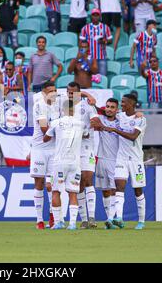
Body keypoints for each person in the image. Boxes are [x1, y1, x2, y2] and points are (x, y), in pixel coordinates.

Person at [93, 94, 147, 230]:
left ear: (131, 103)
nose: (122, 104)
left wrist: (115, 130)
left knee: (138, 190)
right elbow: (103, 110)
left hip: (136, 160)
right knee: (118, 188)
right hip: (121, 158)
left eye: (124, 102)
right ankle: (117, 218)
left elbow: (133, 136)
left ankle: (141, 221)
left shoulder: (140, 119)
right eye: (121, 103)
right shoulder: (120, 116)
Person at [43, 97, 85, 231]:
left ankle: (58, 222)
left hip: (60, 162)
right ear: (74, 111)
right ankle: (72, 223)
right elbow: (86, 135)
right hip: (75, 162)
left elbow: (46, 139)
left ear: (62, 110)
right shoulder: (81, 123)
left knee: (56, 191)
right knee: (73, 193)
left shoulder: (56, 122)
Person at [65, 82, 98, 229]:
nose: (70, 95)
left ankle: (92, 217)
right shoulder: (65, 106)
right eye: (68, 92)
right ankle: (84, 219)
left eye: (73, 92)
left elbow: (96, 122)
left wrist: (86, 130)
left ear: (79, 92)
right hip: (72, 149)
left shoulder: (87, 105)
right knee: (77, 184)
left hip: (86, 148)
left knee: (87, 178)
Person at [30, 81, 60, 229]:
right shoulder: (39, 105)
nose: (54, 93)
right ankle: (39, 220)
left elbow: (76, 97)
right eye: (50, 91)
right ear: (44, 93)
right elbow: (44, 129)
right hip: (39, 149)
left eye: (55, 90)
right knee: (39, 183)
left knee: (52, 184)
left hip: (54, 149)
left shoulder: (58, 105)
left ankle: (52, 217)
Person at [93, 98, 120, 229]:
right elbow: (93, 117)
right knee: (105, 191)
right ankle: (109, 220)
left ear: (117, 110)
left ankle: (111, 218)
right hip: (102, 159)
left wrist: (139, 114)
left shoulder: (121, 121)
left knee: (115, 190)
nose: (109, 109)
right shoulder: (100, 119)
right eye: (108, 106)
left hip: (116, 161)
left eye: (112, 107)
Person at [80, 8, 113, 76]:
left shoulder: (105, 27)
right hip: (89, 57)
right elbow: (81, 43)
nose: (95, 17)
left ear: (100, 16)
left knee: (102, 77)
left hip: (101, 57)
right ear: (91, 16)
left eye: (97, 15)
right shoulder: (85, 28)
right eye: (93, 15)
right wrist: (83, 56)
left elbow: (110, 40)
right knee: (88, 77)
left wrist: (104, 41)